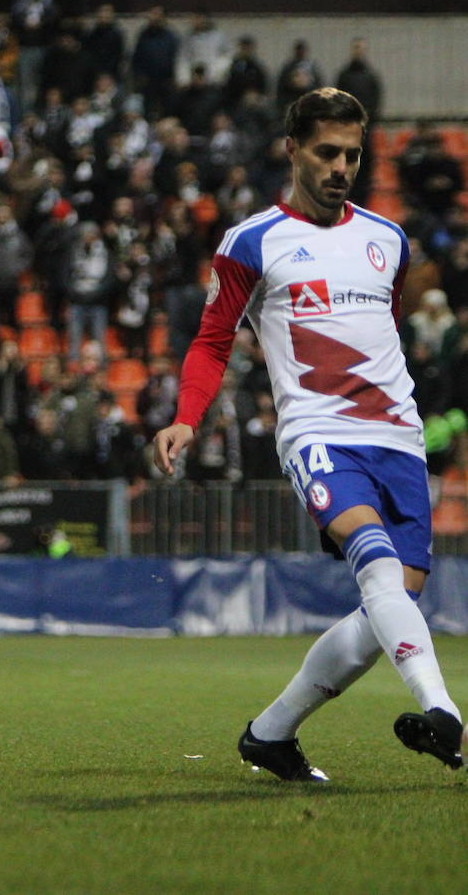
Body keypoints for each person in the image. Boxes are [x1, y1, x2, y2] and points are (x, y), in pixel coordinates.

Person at [152, 88, 465, 781]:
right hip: (319, 434)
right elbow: (211, 342)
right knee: (380, 568)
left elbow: (385, 335)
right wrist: (186, 417)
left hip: (399, 440)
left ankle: (270, 734)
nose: (341, 167)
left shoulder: (388, 241)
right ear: (291, 150)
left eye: (352, 154)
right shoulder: (251, 242)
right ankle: (444, 712)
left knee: (389, 608)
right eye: (327, 152)